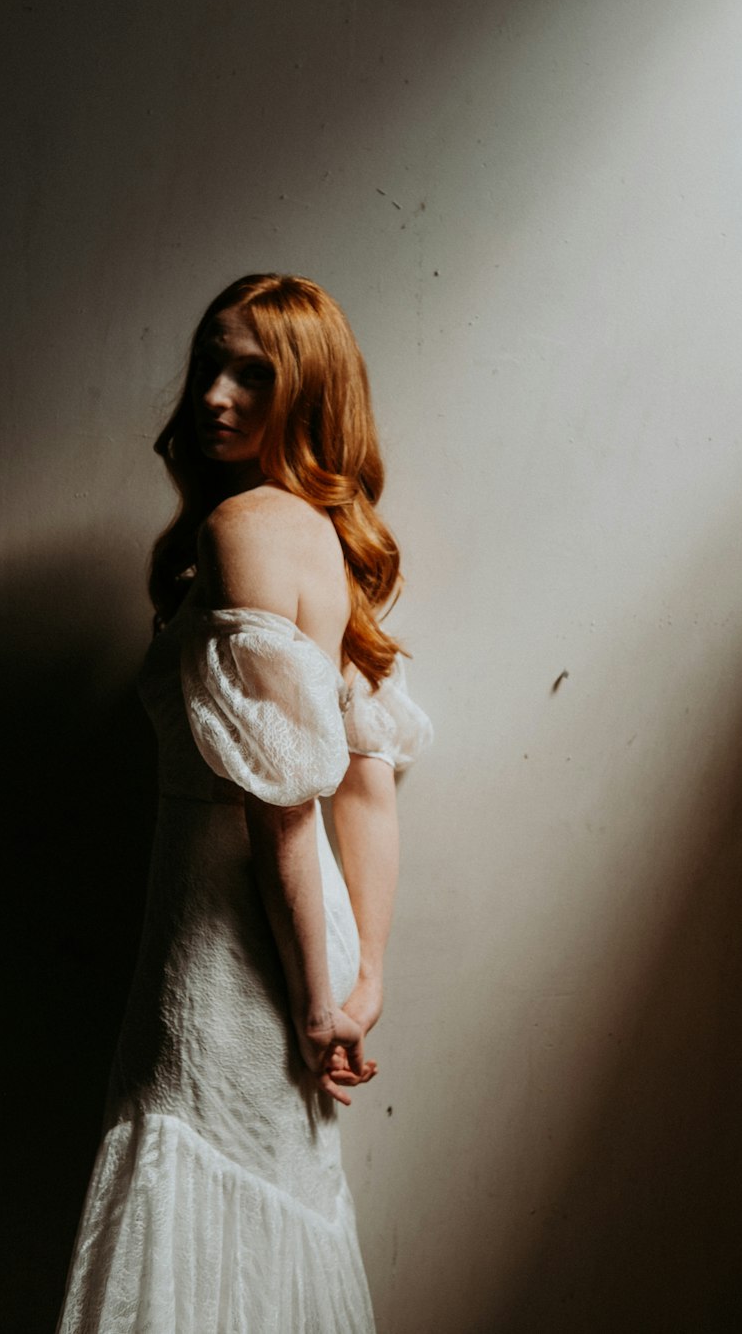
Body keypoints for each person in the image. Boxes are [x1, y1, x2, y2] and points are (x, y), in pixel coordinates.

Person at [56, 274, 432, 1333]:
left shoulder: (242, 531)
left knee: (199, 1180)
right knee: (271, 1206)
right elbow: (367, 787)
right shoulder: (326, 536)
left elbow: (287, 807)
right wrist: (364, 980)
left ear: (307, 393)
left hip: (228, 948)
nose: (215, 394)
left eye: (252, 375)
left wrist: (323, 999)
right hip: (303, 940)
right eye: (209, 363)